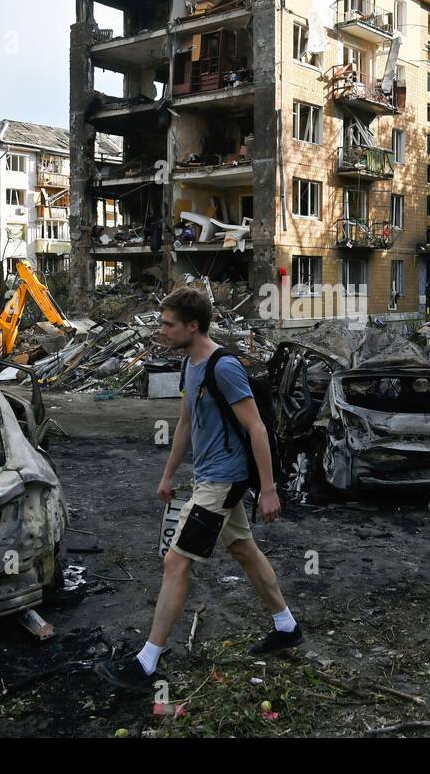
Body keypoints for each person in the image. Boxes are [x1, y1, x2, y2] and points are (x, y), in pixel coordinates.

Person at [95, 288, 300, 695]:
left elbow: (257, 427)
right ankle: (286, 626)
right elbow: (186, 425)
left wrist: (269, 488)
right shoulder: (191, 365)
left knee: (175, 562)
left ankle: (146, 662)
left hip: (224, 481)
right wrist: (168, 475)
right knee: (242, 549)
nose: (162, 331)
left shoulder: (223, 367)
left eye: (169, 324)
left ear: (193, 326)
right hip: (208, 478)